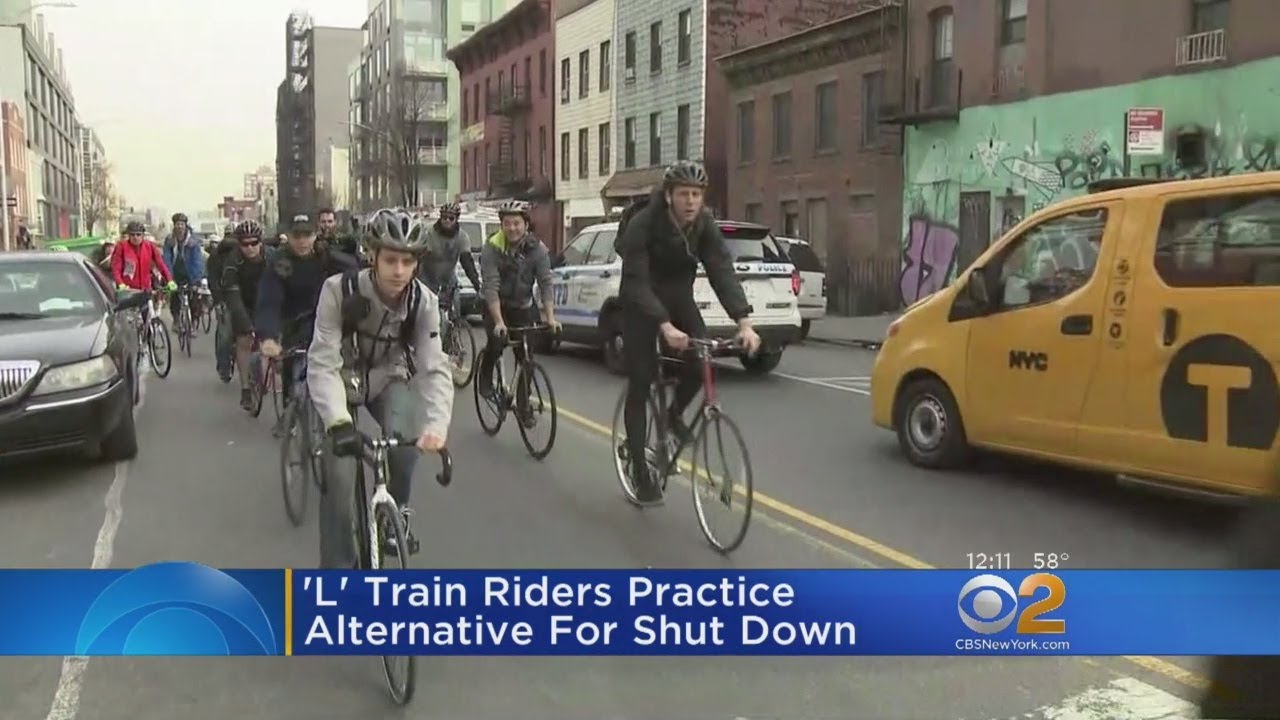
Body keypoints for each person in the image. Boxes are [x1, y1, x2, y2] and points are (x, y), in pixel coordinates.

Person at [307, 207, 454, 567]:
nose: (399, 270)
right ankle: (338, 571)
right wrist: (339, 422)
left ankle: (395, 516)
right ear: (372, 256)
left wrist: (435, 427)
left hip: (388, 376)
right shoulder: (338, 291)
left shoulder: (424, 302)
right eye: (390, 259)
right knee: (340, 479)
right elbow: (323, 362)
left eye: (407, 261)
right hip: (340, 381)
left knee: (405, 444)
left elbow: (434, 367)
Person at [616, 160, 762, 504]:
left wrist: (744, 321)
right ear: (669, 196)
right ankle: (639, 468)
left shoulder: (703, 224)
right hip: (640, 301)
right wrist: (663, 325)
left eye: (697, 194)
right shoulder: (643, 224)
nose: (691, 201)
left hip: (678, 297)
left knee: (702, 359)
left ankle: (672, 415)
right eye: (684, 194)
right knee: (642, 379)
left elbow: (720, 268)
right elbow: (635, 279)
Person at [255, 214, 357, 415]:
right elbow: (269, 301)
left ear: (315, 235)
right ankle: (289, 414)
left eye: (307, 235)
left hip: (328, 322)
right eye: (296, 236)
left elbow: (357, 273)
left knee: (343, 373)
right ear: (288, 236)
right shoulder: (280, 262)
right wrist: (268, 336)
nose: (302, 241)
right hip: (294, 323)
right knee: (294, 371)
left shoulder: (327, 256)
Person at [476, 200, 560, 405]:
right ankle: (485, 377)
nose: (512, 228)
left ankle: (523, 404)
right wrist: (498, 322)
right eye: (507, 223)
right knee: (498, 342)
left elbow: (545, 283)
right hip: (496, 304)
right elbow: (491, 287)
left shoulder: (538, 250)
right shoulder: (492, 247)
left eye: (517, 223)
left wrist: (550, 318)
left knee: (526, 357)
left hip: (522, 305)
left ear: (526, 224)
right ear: (502, 225)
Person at [220, 220, 271, 410]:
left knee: (271, 340)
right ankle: (246, 389)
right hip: (242, 301)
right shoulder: (233, 261)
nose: (250, 248)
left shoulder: (271, 257)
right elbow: (233, 295)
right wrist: (246, 324)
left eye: (254, 242)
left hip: (266, 302)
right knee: (244, 340)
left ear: (261, 242)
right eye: (244, 244)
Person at [418, 202, 482, 312]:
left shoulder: (462, 237)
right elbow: (420, 258)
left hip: (448, 279)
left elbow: (467, 263)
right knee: (424, 310)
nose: (447, 221)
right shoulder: (429, 232)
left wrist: (477, 286)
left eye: (451, 218)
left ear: (457, 219)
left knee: (455, 308)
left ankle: (454, 323)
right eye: (444, 217)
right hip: (427, 277)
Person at [207, 222, 246, 383]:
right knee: (224, 335)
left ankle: (225, 367)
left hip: (243, 298)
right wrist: (219, 300)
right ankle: (224, 366)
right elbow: (213, 279)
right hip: (226, 299)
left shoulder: (246, 252)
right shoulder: (217, 255)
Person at [162, 212, 206, 324]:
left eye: (182, 224)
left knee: (194, 298)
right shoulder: (169, 241)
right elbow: (167, 259)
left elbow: (197, 261)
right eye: (177, 224)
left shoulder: (193, 242)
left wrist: (196, 279)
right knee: (174, 297)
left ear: (185, 225)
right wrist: (169, 278)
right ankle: (176, 320)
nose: (179, 227)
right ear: (174, 225)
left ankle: (193, 321)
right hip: (175, 273)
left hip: (190, 273)